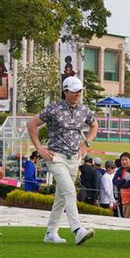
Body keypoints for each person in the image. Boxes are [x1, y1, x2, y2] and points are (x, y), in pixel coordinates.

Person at [26, 76, 97, 245]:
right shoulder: (53, 109)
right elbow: (31, 124)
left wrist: (86, 144)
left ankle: (51, 232)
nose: (78, 94)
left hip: (74, 158)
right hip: (56, 157)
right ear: (65, 92)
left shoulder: (83, 109)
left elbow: (94, 125)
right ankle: (77, 229)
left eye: (79, 90)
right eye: (74, 91)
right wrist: (39, 148)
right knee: (70, 192)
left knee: (62, 197)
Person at [113, 152, 130, 219]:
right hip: (122, 199)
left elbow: (129, 184)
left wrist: (121, 182)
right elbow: (115, 181)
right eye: (122, 160)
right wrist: (124, 180)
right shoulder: (120, 170)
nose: (124, 162)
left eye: (126, 159)